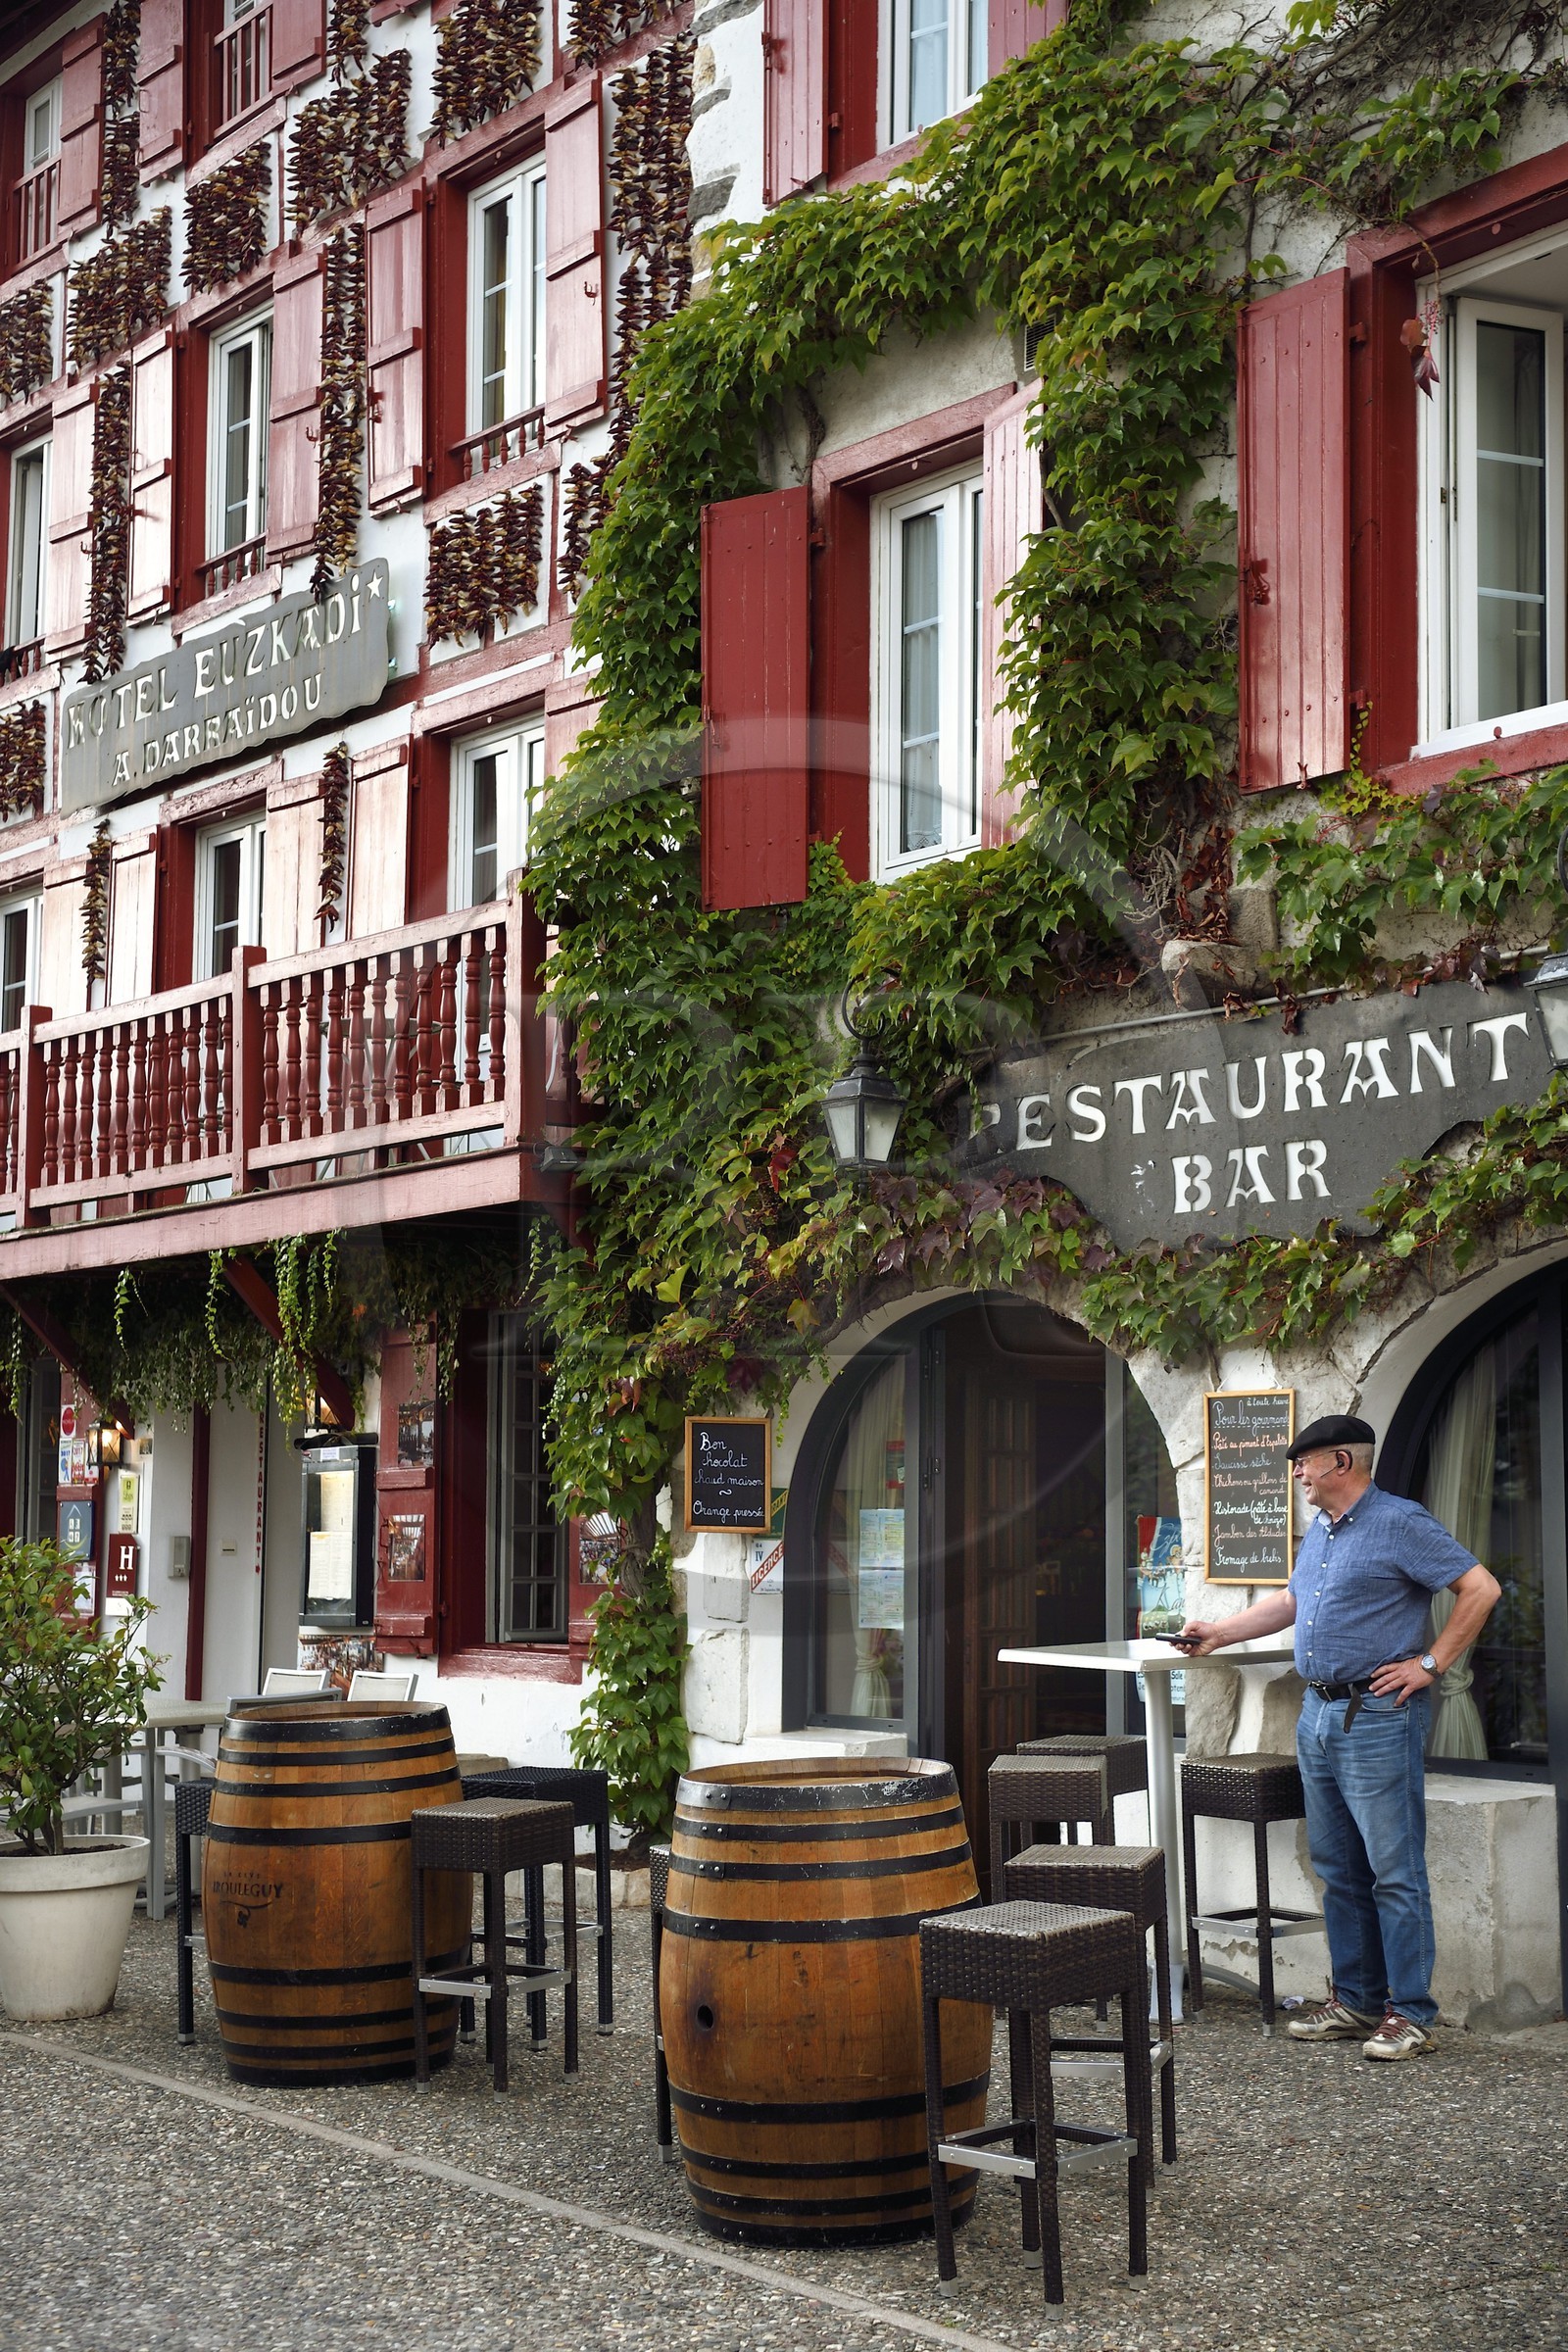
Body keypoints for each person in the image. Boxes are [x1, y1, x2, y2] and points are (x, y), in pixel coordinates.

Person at [1179, 1413, 1500, 2062]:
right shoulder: (1322, 1530)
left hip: (1378, 1715)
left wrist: (1431, 1663)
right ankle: (1357, 2001)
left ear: (1341, 1463)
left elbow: (1480, 1587)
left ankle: (1411, 2014)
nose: (1298, 1474)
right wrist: (1220, 1633)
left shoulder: (1400, 1522)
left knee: (1393, 1870)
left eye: (1305, 1463)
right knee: (1338, 1867)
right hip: (1319, 1714)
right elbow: (1292, 1602)